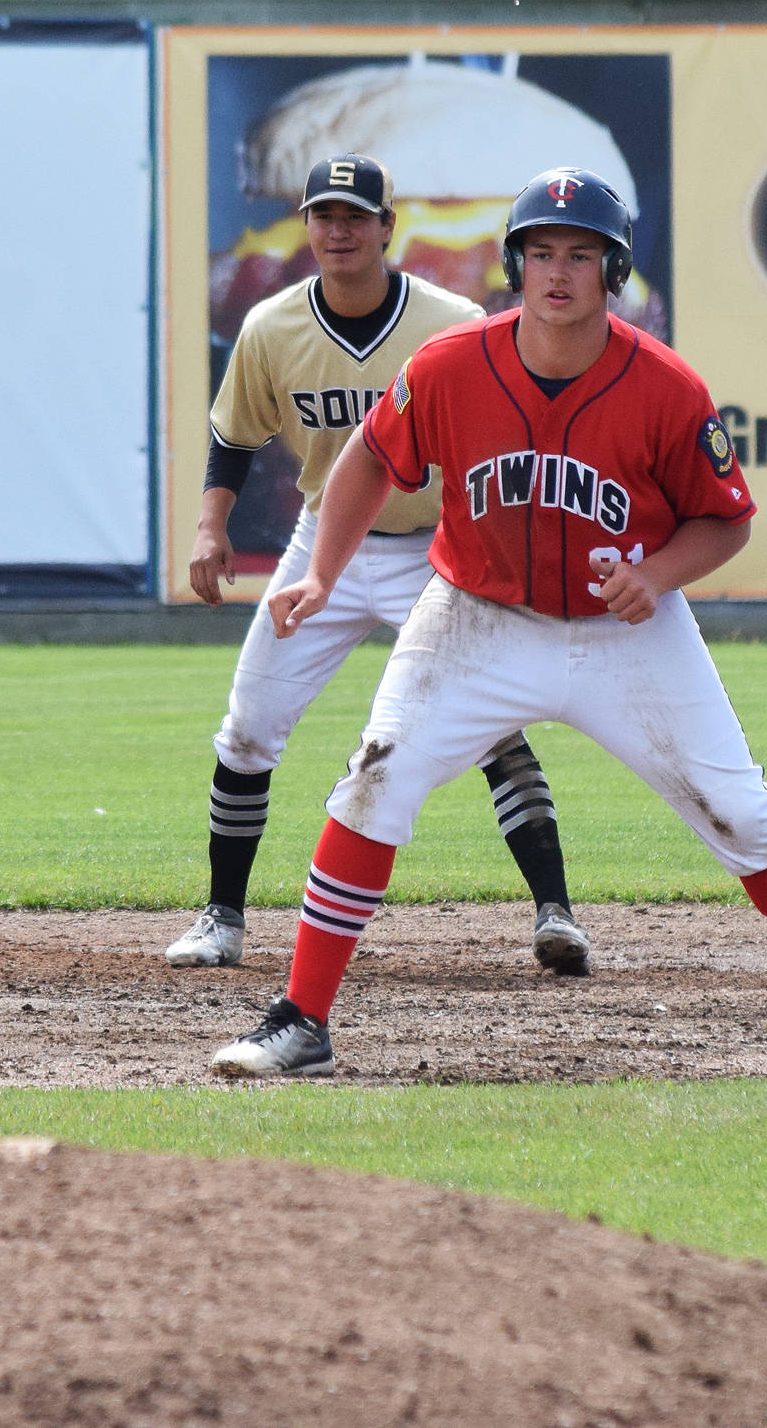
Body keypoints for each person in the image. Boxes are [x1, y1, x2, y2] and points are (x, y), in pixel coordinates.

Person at [210, 166, 767, 1079]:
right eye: (540, 252)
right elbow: (370, 461)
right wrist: (324, 574)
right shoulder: (453, 364)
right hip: (475, 620)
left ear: (613, 270)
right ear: (515, 264)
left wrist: (656, 576)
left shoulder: (663, 386)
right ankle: (302, 1020)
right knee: (372, 786)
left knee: (743, 813)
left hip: (628, 635)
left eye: (581, 254)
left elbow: (727, 516)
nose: (558, 272)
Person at [169, 152, 590, 976]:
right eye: (324, 215)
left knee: (494, 728)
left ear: (387, 228)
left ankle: (557, 915)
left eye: (355, 216)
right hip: (324, 543)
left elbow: (506, 431)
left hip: (434, 550)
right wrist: (209, 527)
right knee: (249, 724)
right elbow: (234, 434)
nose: (338, 230)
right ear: (307, 225)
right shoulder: (272, 327)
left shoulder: (449, 318)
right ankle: (221, 917)